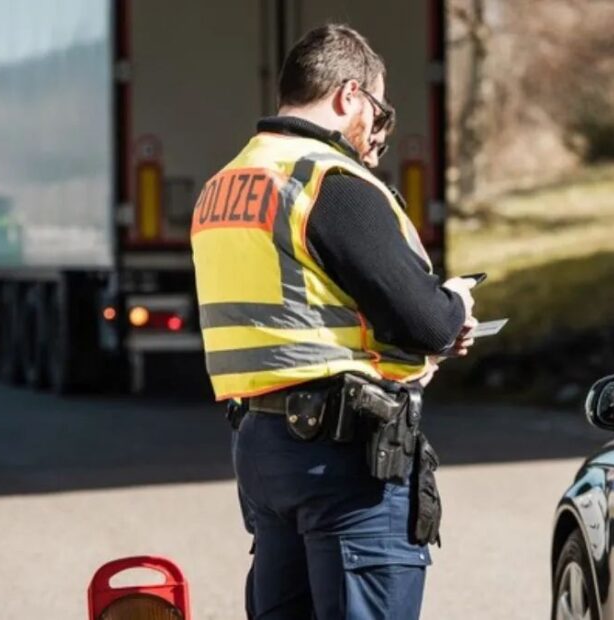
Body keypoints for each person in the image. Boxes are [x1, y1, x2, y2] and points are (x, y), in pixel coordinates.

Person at [191, 23, 477, 619]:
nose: (376, 133)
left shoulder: (226, 184)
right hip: (343, 457)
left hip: (263, 449)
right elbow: (425, 322)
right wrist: (455, 306)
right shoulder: (329, 183)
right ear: (349, 96)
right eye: (378, 112)